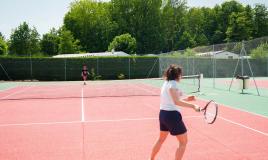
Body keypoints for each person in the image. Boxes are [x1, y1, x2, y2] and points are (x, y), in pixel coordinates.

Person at [150, 64, 200, 160]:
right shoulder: (173, 84)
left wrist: (187, 99)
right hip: (172, 116)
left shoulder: (166, 83)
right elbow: (176, 101)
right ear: (178, 75)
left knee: (161, 139)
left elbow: (173, 99)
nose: (181, 76)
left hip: (163, 115)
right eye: (181, 74)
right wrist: (193, 106)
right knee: (183, 142)